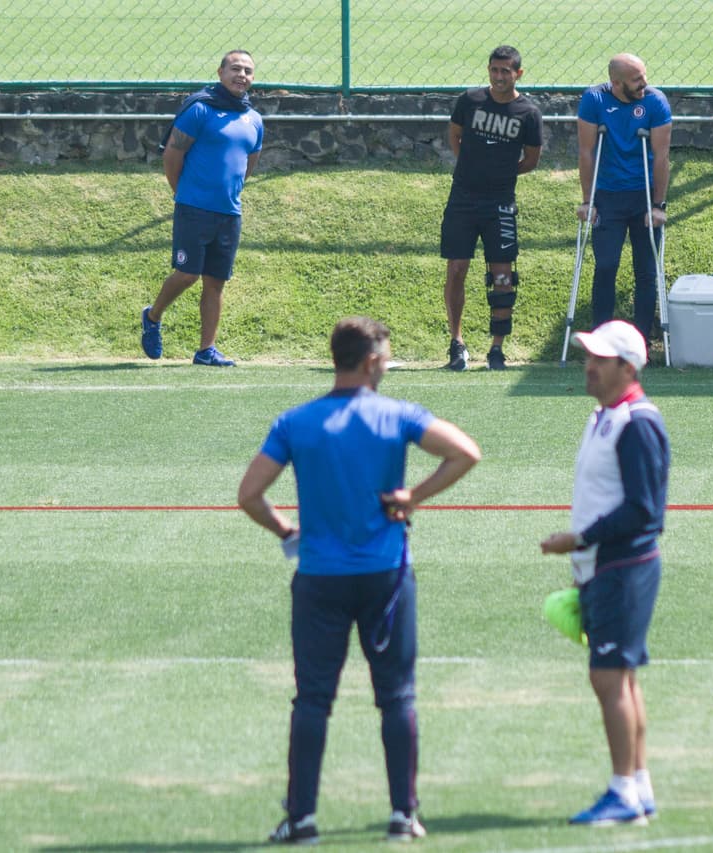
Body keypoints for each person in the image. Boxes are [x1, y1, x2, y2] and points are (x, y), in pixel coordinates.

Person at [237, 316, 482, 844]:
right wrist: (412, 496)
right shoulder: (397, 416)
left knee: (312, 699)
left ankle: (301, 819)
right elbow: (466, 452)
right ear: (371, 362)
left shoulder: (295, 423)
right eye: (387, 357)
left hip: (320, 578)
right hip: (386, 578)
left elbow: (250, 494)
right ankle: (403, 814)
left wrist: (287, 530)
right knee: (396, 696)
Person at [539, 319, 670, 827]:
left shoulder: (638, 422)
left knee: (608, 677)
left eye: (599, 359)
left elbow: (645, 511)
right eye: (588, 357)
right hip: (605, 566)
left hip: (625, 565)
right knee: (623, 679)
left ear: (626, 367)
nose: (588, 367)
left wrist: (578, 541)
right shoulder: (604, 417)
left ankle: (622, 794)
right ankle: (638, 786)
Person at [140, 50, 264, 367]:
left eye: (248, 71)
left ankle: (206, 350)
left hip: (229, 213)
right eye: (235, 68)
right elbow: (172, 155)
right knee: (187, 274)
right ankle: (153, 317)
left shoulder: (254, 120)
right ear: (220, 72)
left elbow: (250, 163)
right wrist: (182, 192)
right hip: (193, 208)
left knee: (215, 281)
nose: (242, 75)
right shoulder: (200, 110)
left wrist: (231, 193)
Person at [440, 45, 544, 371]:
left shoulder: (528, 113)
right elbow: (455, 136)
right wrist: (473, 167)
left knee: (502, 275)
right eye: (494, 70)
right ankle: (457, 344)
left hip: (500, 202)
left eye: (506, 71)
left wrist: (500, 173)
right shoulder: (469, 101)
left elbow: (531, 159)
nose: (499, 77)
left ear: (518, 74)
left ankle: (496, 348)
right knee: (456, 269)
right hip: (462, 198)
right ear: (488, 70)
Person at [576, 54, 672, 346]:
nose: (645, 84)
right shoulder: (594, 99)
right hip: (607, 195)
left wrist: (658, 205)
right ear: (616, 83)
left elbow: (662, 157)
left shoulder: (656, 102)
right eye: (636, 80)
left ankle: (640, 342)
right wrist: (587, 200)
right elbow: (586, 152)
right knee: (606, 264)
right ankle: (601, 341)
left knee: (646, 270)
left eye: (644, 76)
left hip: (643, 195)